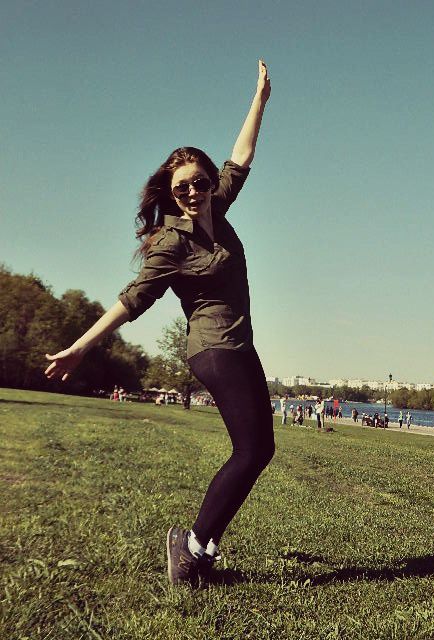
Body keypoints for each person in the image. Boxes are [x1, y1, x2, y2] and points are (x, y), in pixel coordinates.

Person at [44, 60, 273, 587]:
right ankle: (190, 548)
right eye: (181, 188)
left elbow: (241, 156)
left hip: (241, 343)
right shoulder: (171, 242)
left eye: (198, 183)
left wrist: (259, 100)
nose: (192, 192)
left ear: (209, 182)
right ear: (171, 194)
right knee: (250, 450)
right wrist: (81, 347)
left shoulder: (218, 207)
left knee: (260, 450)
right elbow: (133, 300)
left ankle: (201, 548)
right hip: (213, 348)